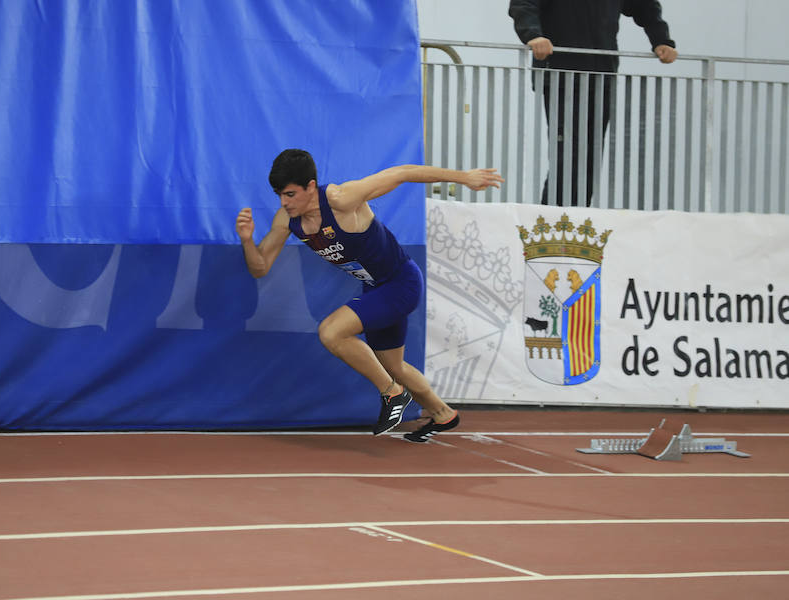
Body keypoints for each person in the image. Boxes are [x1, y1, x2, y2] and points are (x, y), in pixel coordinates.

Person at [235, 149, 503, 442]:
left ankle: (391, 393)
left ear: (310, 186)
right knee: (393, 365)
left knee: (331, 332)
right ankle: (442, 413)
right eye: (279, 196)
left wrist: (463, 178)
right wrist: (247, 240)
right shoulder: (287, 220)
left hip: (401, 283)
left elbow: (401, 173)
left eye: (289, 194)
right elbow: (260, 267)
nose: (284, 203)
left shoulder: (341, 199)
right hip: (376, 289)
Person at [509, 0, 677, 207]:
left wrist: (662, 40)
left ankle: (577, 219)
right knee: (568, 155)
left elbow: (646, 7)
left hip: (600, 77)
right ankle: (552, 220)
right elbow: (523, 4)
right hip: (561, 76)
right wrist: (533, 35)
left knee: (590, 157)